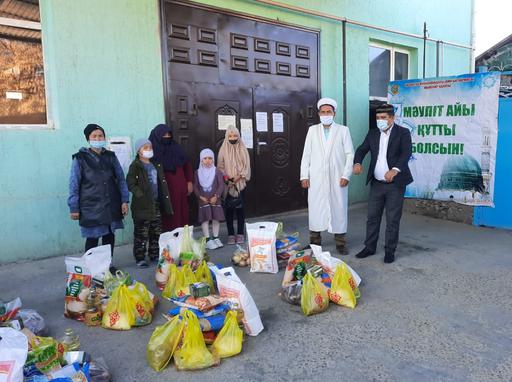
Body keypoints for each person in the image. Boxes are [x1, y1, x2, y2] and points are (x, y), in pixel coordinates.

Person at [353, 104, 413, 263]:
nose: (380, 121)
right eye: (378, 118)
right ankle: (369, 247)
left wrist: (394, 170)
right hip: (377, 184)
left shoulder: (403, 133)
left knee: (392, 218)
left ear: (392, 118)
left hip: (395, 184)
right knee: (372, 217)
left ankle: (390, 251)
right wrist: (357, 163)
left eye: (383, 118)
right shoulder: (373, 133)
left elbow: (406, 153)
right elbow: (361, 149)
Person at [68, 123, 129, 272]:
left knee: (109, 236)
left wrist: (124, 200)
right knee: (93, 238)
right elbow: (74, 184)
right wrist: (74, 207)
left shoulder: (110, 156)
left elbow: (121, 179)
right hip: (91, 206)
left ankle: (107, 265)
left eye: (100, 135)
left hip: (111, 203)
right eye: (94, 136)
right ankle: (91, 267)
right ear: (88, 139)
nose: (98, 138)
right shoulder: (80, 159)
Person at [300, 97, 354, 255]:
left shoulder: (343, 130)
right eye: (322, 112)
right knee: (316, 209)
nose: (325, 114)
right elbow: (306, 155)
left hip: (338, 178)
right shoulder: (312, 130)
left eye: (328, 112)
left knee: (339, 209)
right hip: (316, 178)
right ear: (318, 114)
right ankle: (314, 243)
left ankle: (341, 243)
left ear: (334, 113)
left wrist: (346, 175)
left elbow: (350, 154)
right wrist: (304, 176)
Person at [126, 138, 173, 268]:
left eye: (149, 147)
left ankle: (154, 254)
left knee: (156, 232)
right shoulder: (135, 165)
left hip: (155, 204)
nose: (148, 150)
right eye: (145, 148)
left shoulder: (155, 164)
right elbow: (130, 183)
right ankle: (140, 257)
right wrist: (140, 194)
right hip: (142, 206)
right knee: (142, 233)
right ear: (139, 151)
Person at [149, 123, 193, 232]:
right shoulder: (151, 152)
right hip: (165, 191)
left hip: (181, 190)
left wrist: (190, 182)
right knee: (167, 217)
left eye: (169, 134)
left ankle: (182, 243)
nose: (167, 137)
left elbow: (187, 166)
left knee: (182, 215)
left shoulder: (176, 148)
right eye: (164, 135)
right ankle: (168, 245)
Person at [217, 125, 251, 245]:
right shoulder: (223, 149)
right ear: (227, 136)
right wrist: (227, 180)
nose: (233, 138)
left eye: (235, 135)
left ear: (239, 136)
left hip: (240, 183)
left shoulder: (243, 148)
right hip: (228, 185)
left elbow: (246, 167)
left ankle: (240, 233)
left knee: (240, 209)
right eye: (230, 136)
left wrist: (237, 178)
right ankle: (231, 234)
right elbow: (220, 167)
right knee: (229, 210)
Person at [193, 148, 225, 250]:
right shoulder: (197, 173)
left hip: (215, 199)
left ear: (214, 160)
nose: (207, 161)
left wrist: (216, 196)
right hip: (203, 200)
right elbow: (195, 186)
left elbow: (221, 185)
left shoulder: (217, 171)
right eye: (205, 158)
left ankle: (216, 237)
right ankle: (207, 239)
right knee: (205, 219)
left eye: (210, 158)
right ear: (201, 160)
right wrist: (200, 196)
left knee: (216, 218)